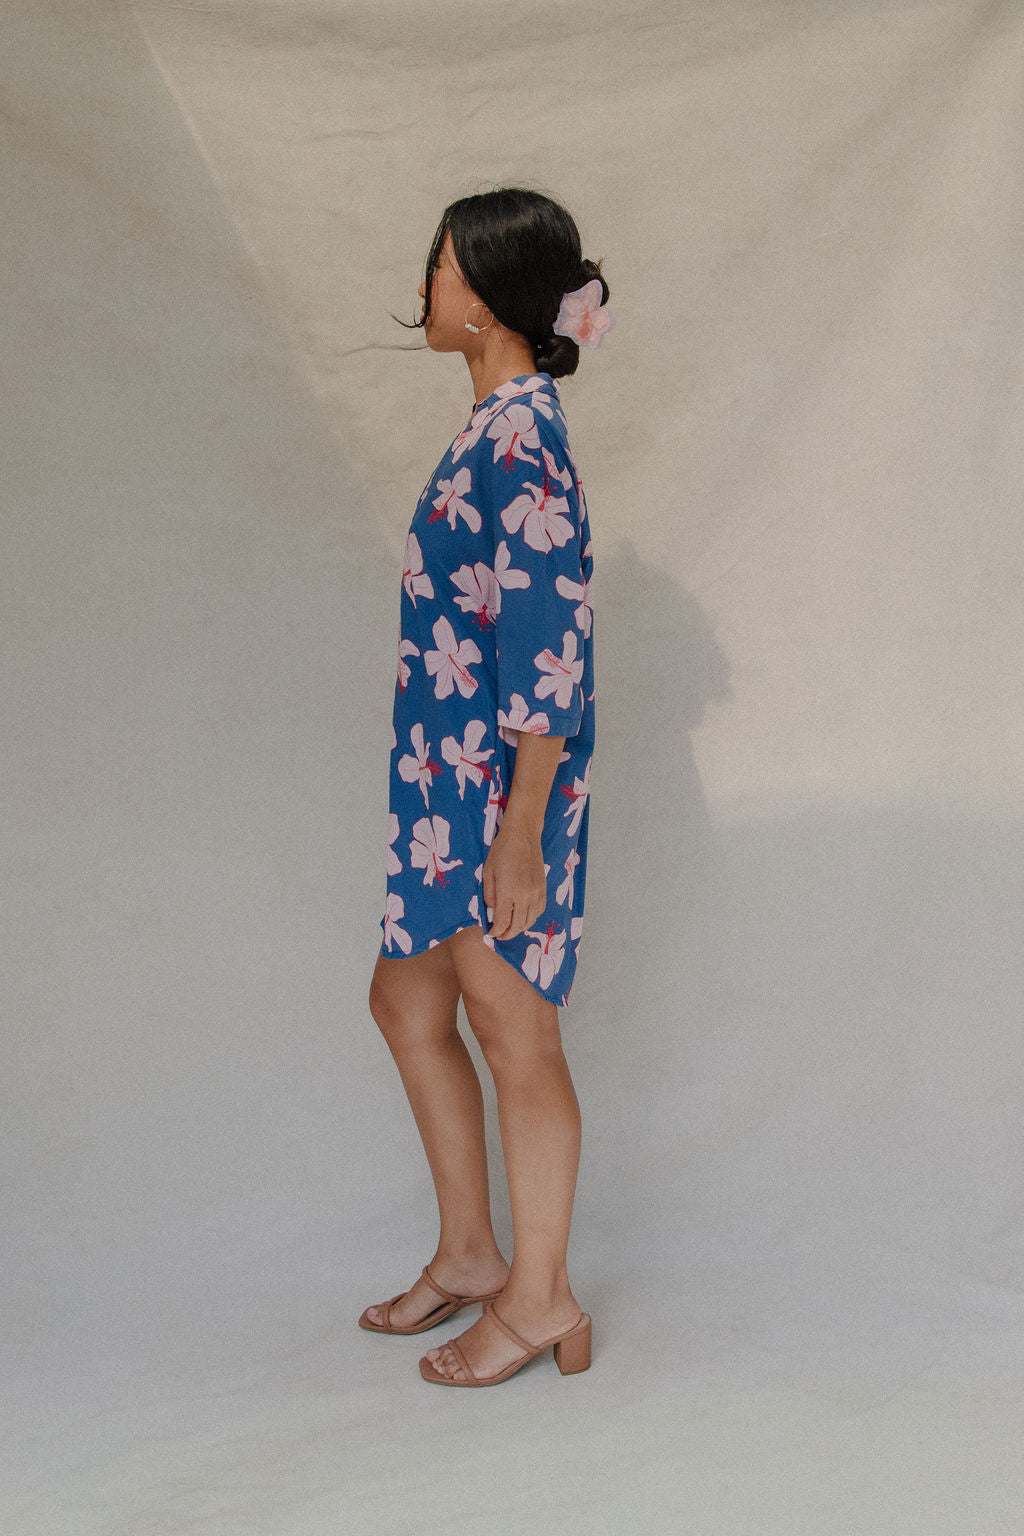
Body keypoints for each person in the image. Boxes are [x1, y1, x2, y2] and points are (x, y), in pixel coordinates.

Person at [359, 187, 612, 1387]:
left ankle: (543, 1296)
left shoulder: (521, 442)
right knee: (409, 1005)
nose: (429, 286)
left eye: (445, 267)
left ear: (491, 304)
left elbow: (548, 651)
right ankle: (469, 1255)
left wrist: (520, 832)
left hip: (494, 794)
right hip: (438, 785)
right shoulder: (491, 428)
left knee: (515, 1032)